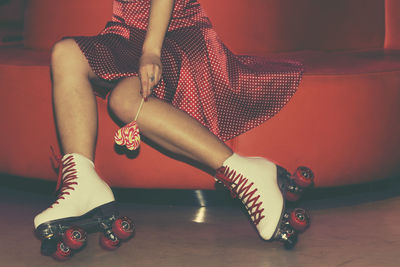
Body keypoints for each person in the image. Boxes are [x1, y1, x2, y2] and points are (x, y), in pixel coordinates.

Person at [34, 0, 310, 254]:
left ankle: (247, 172)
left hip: (174, 32)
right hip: (125, 33)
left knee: (123, 101)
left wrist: (152, 51)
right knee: (65, 53)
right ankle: (82, 182)